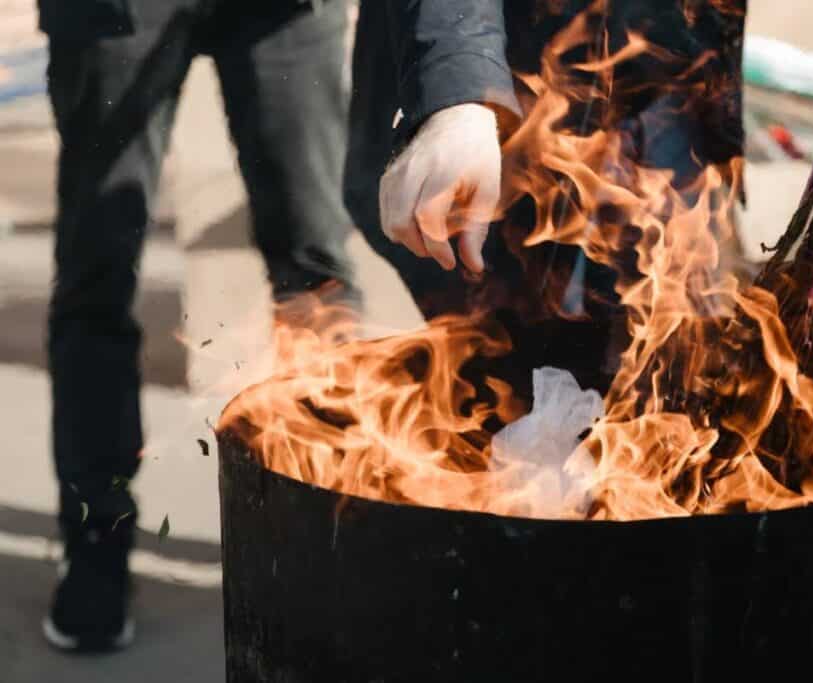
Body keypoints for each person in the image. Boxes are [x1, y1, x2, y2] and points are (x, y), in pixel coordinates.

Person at [39, 0, 356, 651]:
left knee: (316, 275)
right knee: (95, 271)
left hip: (284, 13)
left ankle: (338, 532)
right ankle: (95, 538)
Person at [345, 0, 747, 386]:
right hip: (501, 121)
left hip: (670, 104)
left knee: (670, 363)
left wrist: (717, 155)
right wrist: (461, 97)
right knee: (500, 372)